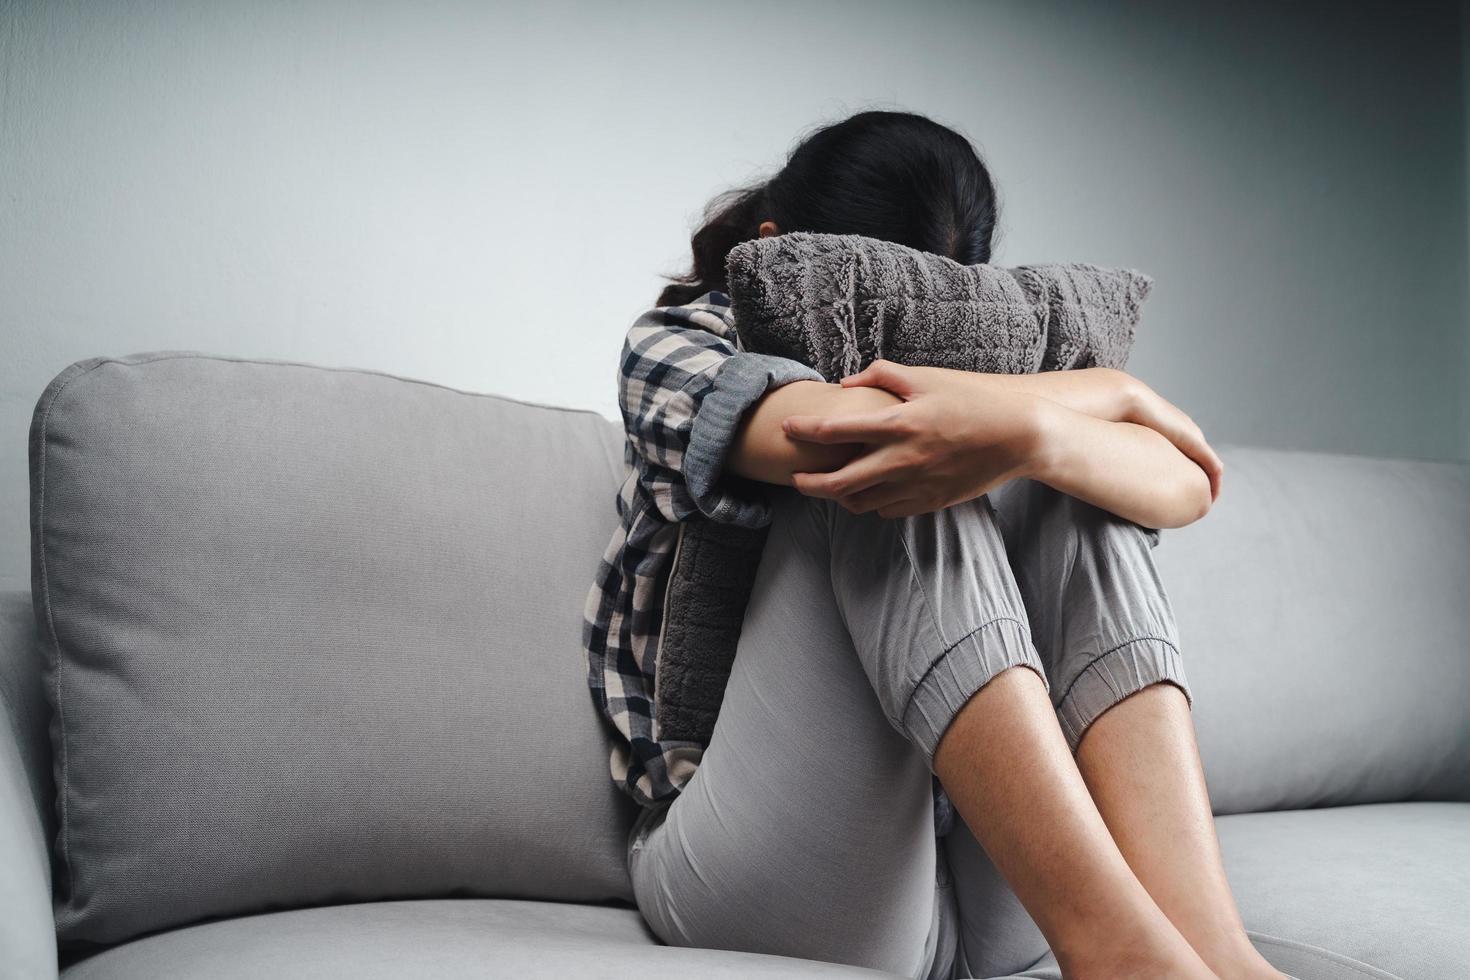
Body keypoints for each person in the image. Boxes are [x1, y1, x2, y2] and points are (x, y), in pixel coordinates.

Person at [582, 109, 1286, 980]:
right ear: (772, 251)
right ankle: (1125, 957)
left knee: (1072, 497)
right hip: (768, 873)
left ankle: (1215, 953)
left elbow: (1185, 485)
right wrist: (1100, 395)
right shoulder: (676, 341)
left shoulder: (1002, 395)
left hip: (997, 888)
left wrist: (1038, 432)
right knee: (889, 470)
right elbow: (844, 433)